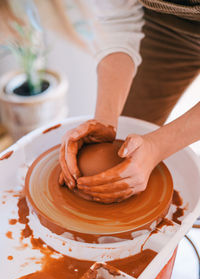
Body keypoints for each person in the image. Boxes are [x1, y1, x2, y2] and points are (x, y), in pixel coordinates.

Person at [59, 0, 200, 203]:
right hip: (163, 23)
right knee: (128, 142)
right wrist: (105, 121)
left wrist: (158, 146)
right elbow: (115, 16)